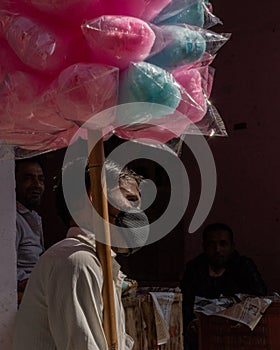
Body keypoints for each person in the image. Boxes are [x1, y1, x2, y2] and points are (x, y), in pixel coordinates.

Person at [13, 159, 149, 350]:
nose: (136, 212)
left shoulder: (95, 261)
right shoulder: (76, 260)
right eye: (130, 200)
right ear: (93, 199)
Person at [180, 223, 267, 350]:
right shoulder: (195, 268)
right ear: (204, 247)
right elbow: (185, 301)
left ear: (232, 247)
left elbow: (260, 296)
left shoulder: (244, 266)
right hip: (201, 334)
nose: (217, 250)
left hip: (237, 335)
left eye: (223, 244)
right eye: (212, 244)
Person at [15, 157, 45, 305]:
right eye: (28, 178)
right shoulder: (11, 219)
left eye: (40, 180)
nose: (37, 185)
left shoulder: (34, 217)